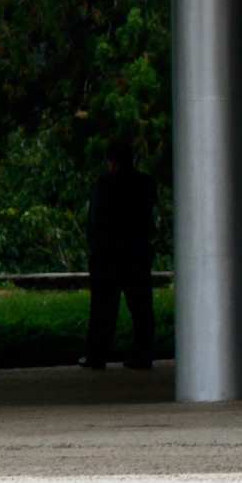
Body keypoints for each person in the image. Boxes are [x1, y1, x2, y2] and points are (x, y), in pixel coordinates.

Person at [82, 138, 157, 370]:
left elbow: (95, 222)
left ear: (110, 161)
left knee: (103, 309)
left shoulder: (103, 184)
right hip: (136, 253)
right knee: (141, 308)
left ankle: (97, 355)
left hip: (107, 256)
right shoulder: (145, 183)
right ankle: (142, 354)